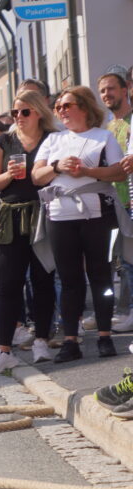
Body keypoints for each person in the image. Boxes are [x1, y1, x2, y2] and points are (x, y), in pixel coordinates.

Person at [31, 85, 128, 363]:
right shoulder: (53, 140)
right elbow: (36, 176)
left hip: (97, 215)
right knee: (69, 279)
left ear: (84, 107)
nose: (61, 110)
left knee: (101, 275)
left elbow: (119, 172)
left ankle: (105, 336)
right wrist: (57, 167)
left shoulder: (103, 136)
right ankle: (70, 340)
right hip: (60, 215)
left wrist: (86, 171)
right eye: (58, 106)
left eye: (67, 105)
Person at [0, 89, 57, 370]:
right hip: (11, 215)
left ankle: (42, 340)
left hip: (43, 212)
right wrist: (8, 175)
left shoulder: (52, 138)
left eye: (25, 111)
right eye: (15, 112)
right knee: (10, 282)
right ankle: (3, 349)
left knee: (43, 278)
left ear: (39, 112)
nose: (19, 117)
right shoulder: (5, 140)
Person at [98, 67, 133, 332]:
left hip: (131, 201)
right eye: (102, 91)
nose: (106, 94)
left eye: (111, 88)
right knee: (122, 263)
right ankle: (124, 310)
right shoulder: (107, 129)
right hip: (114, 203)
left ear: (125, 89)